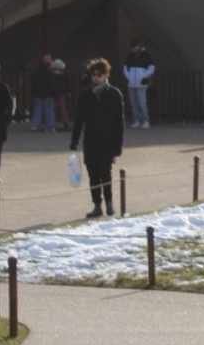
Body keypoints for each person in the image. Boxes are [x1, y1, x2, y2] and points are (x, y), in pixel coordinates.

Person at [69, 57, 125, 218]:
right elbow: (79, 120)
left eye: (99, 74)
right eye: (93, 74)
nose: (96, 78)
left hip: (107, 142)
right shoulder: (85, 95)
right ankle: (97, 205)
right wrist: (74, 141)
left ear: (106, 75)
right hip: (91, 141)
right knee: (93, 175)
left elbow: (119, 122)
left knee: (105, 173)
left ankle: (109, 203)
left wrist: (118, 147)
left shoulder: (114, 94)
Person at [123, 40, 155, 129]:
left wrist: (143, 76)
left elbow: (152, 68)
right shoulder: (130, 56)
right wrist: (129, 77)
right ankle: (137, 120)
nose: (134, 49)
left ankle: (145, 121)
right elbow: (125, 68)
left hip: (141, 83)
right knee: (134, 103)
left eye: (135, 47)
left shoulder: (146, 56)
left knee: (142, 102)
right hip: (132, 83)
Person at [29, 53, 56, 132]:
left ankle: (35, 125)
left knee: (37, 110)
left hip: (37, 93)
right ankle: (50, 126)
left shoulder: (36, 70)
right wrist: (54, 92)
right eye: (50, 59)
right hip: (48, 93)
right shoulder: (50, 71)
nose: (51, 60)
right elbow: (52, 83)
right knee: (49, 110)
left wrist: (33, 91)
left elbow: (33, 81)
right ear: (47, 60)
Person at [51, 59, 71, 131]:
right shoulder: (65, 74)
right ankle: (65, 123)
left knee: (54, 109)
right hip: (62, 93)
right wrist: (68, 91)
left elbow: (52, 84)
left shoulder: (52, 74)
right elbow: (67, 84)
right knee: (63, 109)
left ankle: (53, 124)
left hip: (55, 93)